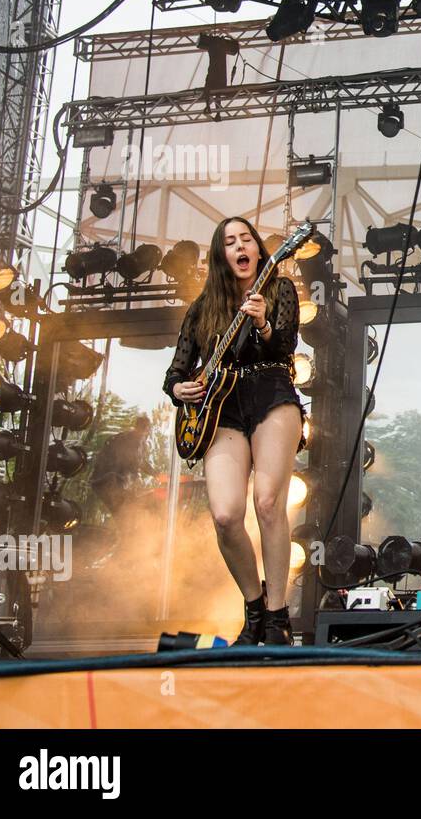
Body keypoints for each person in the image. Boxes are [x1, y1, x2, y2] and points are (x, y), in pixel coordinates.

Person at [162, 217, 306, 644]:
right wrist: (178, 388)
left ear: (259, 251)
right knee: (225, 515)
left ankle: (279, 618)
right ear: (221, 255)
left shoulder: (278, 290)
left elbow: (284, 347)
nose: (240, 246)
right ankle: (255, 606)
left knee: (266, 502)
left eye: (247, 239)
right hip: (221, 408)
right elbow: (176, 369)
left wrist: (262, 323)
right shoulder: (203, 306)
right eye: (230, 241)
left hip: (272, 393)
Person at [89, 414, 153, 515]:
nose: (145, 431)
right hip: (110, 482)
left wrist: (156, 474)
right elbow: (136, 461)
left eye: (147, 428)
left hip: (119, 485)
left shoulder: (141, 444)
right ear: (137, 426)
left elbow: (139, 462)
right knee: (123, 513)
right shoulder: (124, 439)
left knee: (128, 514)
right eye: (143, 427)